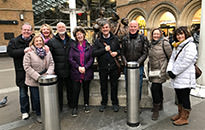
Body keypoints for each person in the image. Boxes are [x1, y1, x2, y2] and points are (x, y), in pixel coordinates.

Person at [167, 26, 197, 126]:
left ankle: (184, 117)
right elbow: (172, 58)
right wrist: (170, 70)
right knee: (179, 96)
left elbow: (186, 61)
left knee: (185, 97)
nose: (179, 36)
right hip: (177, 76)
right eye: (178, 34)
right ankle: (180, 114)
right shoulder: (177, 45)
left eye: (181, 34)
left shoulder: (190, 45)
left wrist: (174, 71)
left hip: (185, 76)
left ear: (186, 34)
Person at [23, 34, 54, 123]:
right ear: (33, 42)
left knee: (46, 98)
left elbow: (51, 63)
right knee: (36, 98)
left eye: (40, 41)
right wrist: (38, 77)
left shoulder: (47, 51)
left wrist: (48, 74)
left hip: (46, 79)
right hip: (34, 80)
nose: (39, 42)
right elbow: (27, 67)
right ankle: (39, 114)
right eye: (37, 41)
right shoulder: (29, 52)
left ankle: (47, 112)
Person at [7, 23, 33, 120]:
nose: (26, 31)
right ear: (21, 30)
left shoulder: (34, 39)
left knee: (34, 92)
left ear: (31, 31)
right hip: (21, 71)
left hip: (33, 71)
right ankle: (24, 111)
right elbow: (10, 52)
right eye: (25, 30)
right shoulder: (14, 41)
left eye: (28, 30)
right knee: (23, 93)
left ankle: (35, 109)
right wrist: (23, 51)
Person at [92, 20, 120, 112]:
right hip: (103, 67)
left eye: (106, 27)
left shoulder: (115, 39)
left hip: (113, 67)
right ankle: (103, 103)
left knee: (114, 86)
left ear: (109, 28)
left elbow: (120, 50)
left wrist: (116, 53)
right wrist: (104, 49)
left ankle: (115, 103)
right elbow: (94, 53)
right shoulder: (98, 40)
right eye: (103, 28)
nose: (105, 29)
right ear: (101, 29)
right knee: (103, 86)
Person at [121, 20, 148, 112]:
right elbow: (122, 53)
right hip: (127, 67)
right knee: (128, 86)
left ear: (138, 27)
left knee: (138, 87)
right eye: (131, 27)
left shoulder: (143, 38)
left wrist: (138, 63)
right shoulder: (125, 38)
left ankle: (137, 104)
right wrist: (125, 62)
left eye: (134, 27)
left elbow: (145, 53)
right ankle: (129, 104)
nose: (132, 28)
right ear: (129, 27)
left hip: (138, 67)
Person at [47, 22, 74, 112]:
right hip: (57, 70)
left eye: (63, 27)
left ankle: (72, 105)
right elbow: (49, 57)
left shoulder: (71, 41)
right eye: (59, 27)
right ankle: (59, 107)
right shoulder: (52, 42)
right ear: (57, 29)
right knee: (58, 91)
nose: (61, 28)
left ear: (66, 28)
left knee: (70, 89)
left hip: (69, 69)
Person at [69, 27, 94, 117]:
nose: (79, 36)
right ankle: (75, 107)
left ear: (84, 34)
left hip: (86, 72)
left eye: (81, 34)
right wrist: (78, 67)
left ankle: (86, 104)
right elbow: (70, 59)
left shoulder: (89, 46)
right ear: (75, 36)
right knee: (75, 90)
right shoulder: (73, 46)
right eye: (77, 34)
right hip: (76, 72)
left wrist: (85, 67)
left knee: (86, 89)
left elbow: (91, 58)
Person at [148, 28, 172, 120]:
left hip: (161, 69)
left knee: (154, 88)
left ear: (161, 34)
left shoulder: (164, 43)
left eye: (158, 34)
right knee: (158, 87)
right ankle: (160, 103)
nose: (156, 36)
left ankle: (156, 109)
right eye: (154, 34)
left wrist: (167, 70)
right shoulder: (151, 43)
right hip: (153, 70)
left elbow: (170, 57)